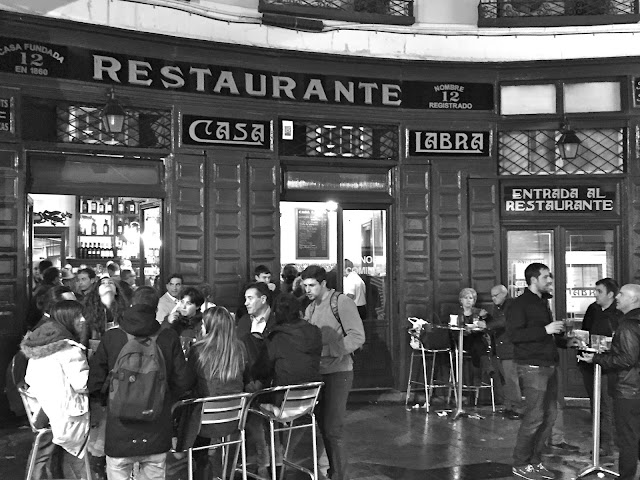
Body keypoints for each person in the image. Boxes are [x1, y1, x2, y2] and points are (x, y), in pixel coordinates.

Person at [88, 286, 194, 480]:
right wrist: (164, 398)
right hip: (156, 428)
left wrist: (111, 400)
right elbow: (183, 381)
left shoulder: (112, 337)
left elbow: (94, 383)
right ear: (156, 309)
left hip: (119, 430)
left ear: (131, 304)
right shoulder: (168, 337)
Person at [301, 265, 365, 480]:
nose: (308, 290)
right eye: (305, 286)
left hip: (339, 371)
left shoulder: (341, 302)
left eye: (312, 285)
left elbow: (357, 336)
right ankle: (332, 470)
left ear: (323, 284)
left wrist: (328, 351)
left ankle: (339, 474)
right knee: (324, 425)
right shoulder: (310, 308)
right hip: (318, 373)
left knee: (333, 427)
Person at [21, 300, 90, 479]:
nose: (83, 320)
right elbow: (83, 385)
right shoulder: (69, 351)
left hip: (42, 411)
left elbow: (28, 379)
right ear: (67, 320)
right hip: (67, 417)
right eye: (79, 316)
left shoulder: (39, 345)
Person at [508, 262, 565, 480]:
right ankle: (520, 463)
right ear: (533, 280)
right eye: (546, 277)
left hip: (549, 364)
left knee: (549, 417)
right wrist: (545, 330)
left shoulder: (543, 303)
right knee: (534, 417)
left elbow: (544, 335)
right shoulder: (519, 304)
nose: (550, 280)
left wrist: (563, 337)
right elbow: (514, 335)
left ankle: (535, 460)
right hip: (532, 367)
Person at [578, 283, 640, 480]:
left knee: (627, 437)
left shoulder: (628, 325)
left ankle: (626, 476)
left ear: (633, 299)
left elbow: (627, 358)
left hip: (628, 387)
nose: (618, 297)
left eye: (622, 294)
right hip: (634, 386)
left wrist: (597, 359)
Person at [186, 306, 246, 480]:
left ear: (208, 326)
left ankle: (196, 466)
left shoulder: (198, 350)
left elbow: (188, 383)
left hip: (203, 424)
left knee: (188, 407)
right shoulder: (240, 348)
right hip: (234, 420)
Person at [577, 277, 621, 457]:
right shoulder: (592, 309)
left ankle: (609, 445)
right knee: (596, 405)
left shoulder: (619, 314)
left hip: (609, 367)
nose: (595, 295)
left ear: (610, 294)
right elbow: (585, 331)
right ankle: (600, 442)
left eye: (599, 291)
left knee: (607, 406)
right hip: (589, 363)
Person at [485, 284, 523, 420]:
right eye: (492, 296)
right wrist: (487, 318)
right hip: (499, 348)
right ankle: (508, 407)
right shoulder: (498, 307)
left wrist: (487, 325)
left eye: (496, 295)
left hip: (509, 349)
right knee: (504, 380)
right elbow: (496, 322)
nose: (493, 298)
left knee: (511, 380)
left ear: (504, 294)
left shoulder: (511, 305)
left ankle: (517, 408)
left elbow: (505, 322)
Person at [84, 274, 128, 340]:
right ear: (97, 291)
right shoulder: (89, 312)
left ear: (116, 291)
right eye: (103, 283)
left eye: (110, 282)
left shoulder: (125, 312)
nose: (107, 284)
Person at [165, 286, 205, 351]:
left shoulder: (202, 323)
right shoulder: (173, 319)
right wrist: (168, 323)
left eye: (188, 304)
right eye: (182, 302)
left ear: (197, 306)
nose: (183, 307)